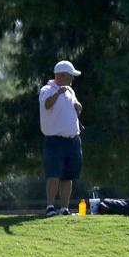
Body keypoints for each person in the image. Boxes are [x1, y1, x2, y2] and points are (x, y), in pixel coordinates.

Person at [38, 60, 84, 216]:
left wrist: (78, 107)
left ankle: (64, 208)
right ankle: (50, 206)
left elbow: (76, 107)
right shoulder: (47, 89)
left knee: (68, 175)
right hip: (55, 140)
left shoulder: (71, 91)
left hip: (72, 139)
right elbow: (47, 105)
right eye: (71, 76)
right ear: (62, 75)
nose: (72, 79)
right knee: (54, 173)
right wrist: (57, 93)